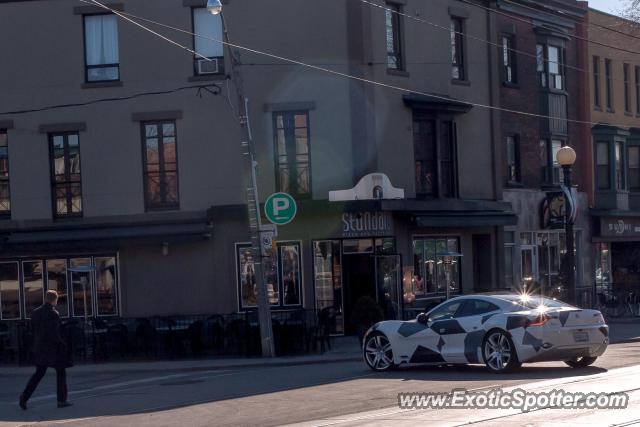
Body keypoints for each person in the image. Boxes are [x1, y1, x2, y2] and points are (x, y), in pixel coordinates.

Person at [19, 290, 72, 410]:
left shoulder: (36, 312)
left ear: (45, 299)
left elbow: (32, 330)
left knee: (38, 373)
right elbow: (54, 333)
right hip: (53, 349)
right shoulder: (54, 313)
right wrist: (63, 344)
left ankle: (24, 397)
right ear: (55, 300)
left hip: (39, 348)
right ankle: (61, 400)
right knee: (61, 372)